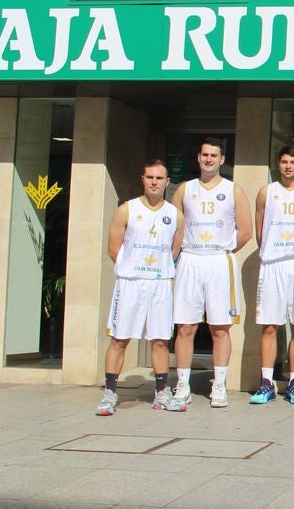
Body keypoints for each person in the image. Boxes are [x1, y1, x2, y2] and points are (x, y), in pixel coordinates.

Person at [96, 160, 186, 416]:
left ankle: (161, 393)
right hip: (131, 283)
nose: (155, 182)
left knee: (159, 340)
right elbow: (114, 249)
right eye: (150, 177)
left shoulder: (175, 215)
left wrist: (156, 270)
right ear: (143, 179)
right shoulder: (126, 210)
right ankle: (110, 393)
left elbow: (174, 250)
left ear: (167, 182)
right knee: (119, 339)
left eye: (160, 178)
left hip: (159, 284)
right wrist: (135, 269)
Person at [171, 138, 253, 409]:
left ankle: (219, 384)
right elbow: (173, 227)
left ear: (221, 160)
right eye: (204, 154)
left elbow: (246, 231)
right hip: (191, 259)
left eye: (213, 155)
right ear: (198, 158)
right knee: (185, 326)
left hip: (219, 260)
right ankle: (182, 383)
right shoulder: (184, 190)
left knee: (220, 327)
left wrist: (224, 250)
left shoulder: (233, 190)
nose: (208, 159)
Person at [249, 146, 294, 405]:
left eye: (293, 161)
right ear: (278, 165)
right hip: (272, 264)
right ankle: (266, 383)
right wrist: (273, 250)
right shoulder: (266, 193)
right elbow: (260, 231)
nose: (288, 166)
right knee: (269, 325)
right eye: (284, 162)